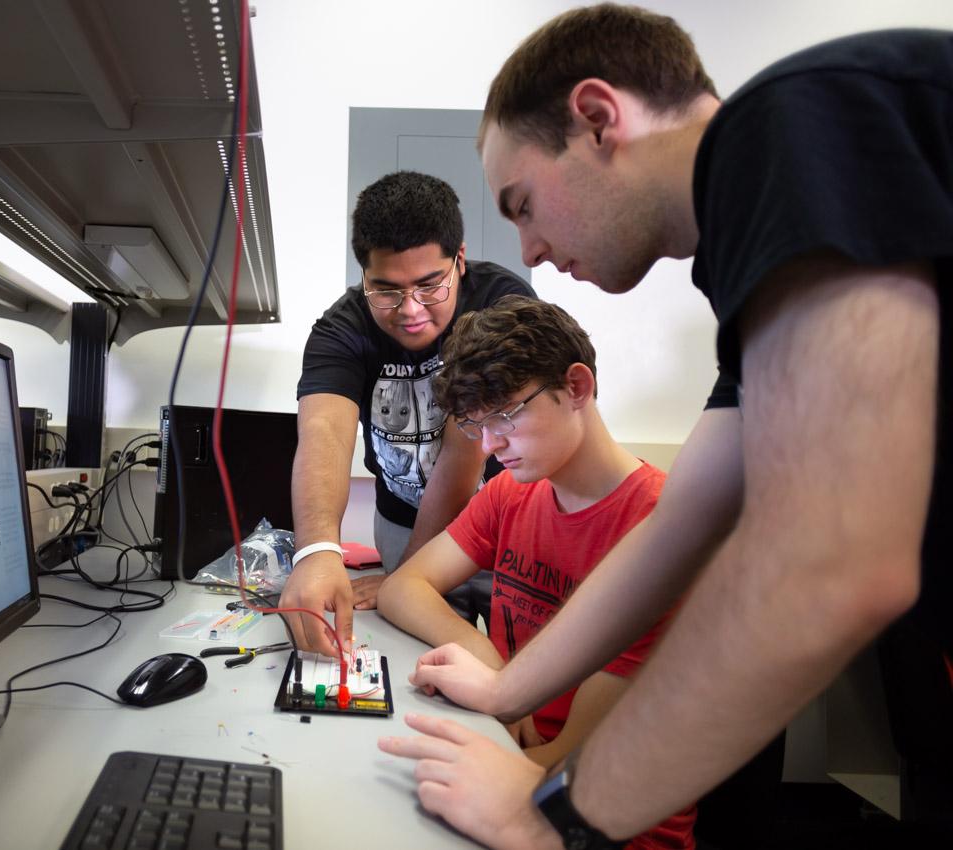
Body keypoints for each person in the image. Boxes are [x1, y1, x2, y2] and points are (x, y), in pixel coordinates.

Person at [378, 5, 953, 849]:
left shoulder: (792, 123)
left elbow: (836, 564)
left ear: (600, 118)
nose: (529, 253)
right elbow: (681, 522)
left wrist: (557, 820)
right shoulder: (749, 271)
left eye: (525, 203)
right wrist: (507, 694)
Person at [376, 296, 695, 850]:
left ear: (576, 387)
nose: (492, 445)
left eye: (506, 415)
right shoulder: (512, 493)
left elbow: (568, 756)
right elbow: (403, 587)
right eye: (477, 424)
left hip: (599, 817)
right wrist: (493, 667)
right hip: (512, 751)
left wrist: (502, 699)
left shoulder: (659, 531)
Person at [282, 171, 535, 656]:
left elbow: (464, 451)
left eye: (429, 285)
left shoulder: (502, 305)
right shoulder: (341, 330)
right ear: (363, 276)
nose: (410, 309)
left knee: (518, 667)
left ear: (459, 260)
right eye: (387, 290)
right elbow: (323, 435)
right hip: (402, 520)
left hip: (506, 523)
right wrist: (316, 552)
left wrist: (405, 576)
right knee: (415, 664)